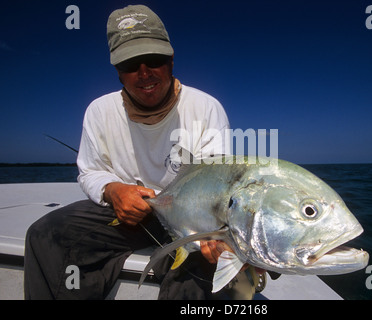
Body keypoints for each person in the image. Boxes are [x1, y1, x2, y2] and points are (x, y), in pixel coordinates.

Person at [24, 4, 236, 300]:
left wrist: (217, 236)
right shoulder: (100, 111)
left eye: (153, 59)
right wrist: (113, 190)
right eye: (130, 64)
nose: (144, 73)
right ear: (118, 72)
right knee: (45, 234)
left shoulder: (206, 108)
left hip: (191, 221)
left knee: (198, 274)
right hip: (127, 217)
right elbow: (90, 171)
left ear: (171, 60)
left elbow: (217, 187)